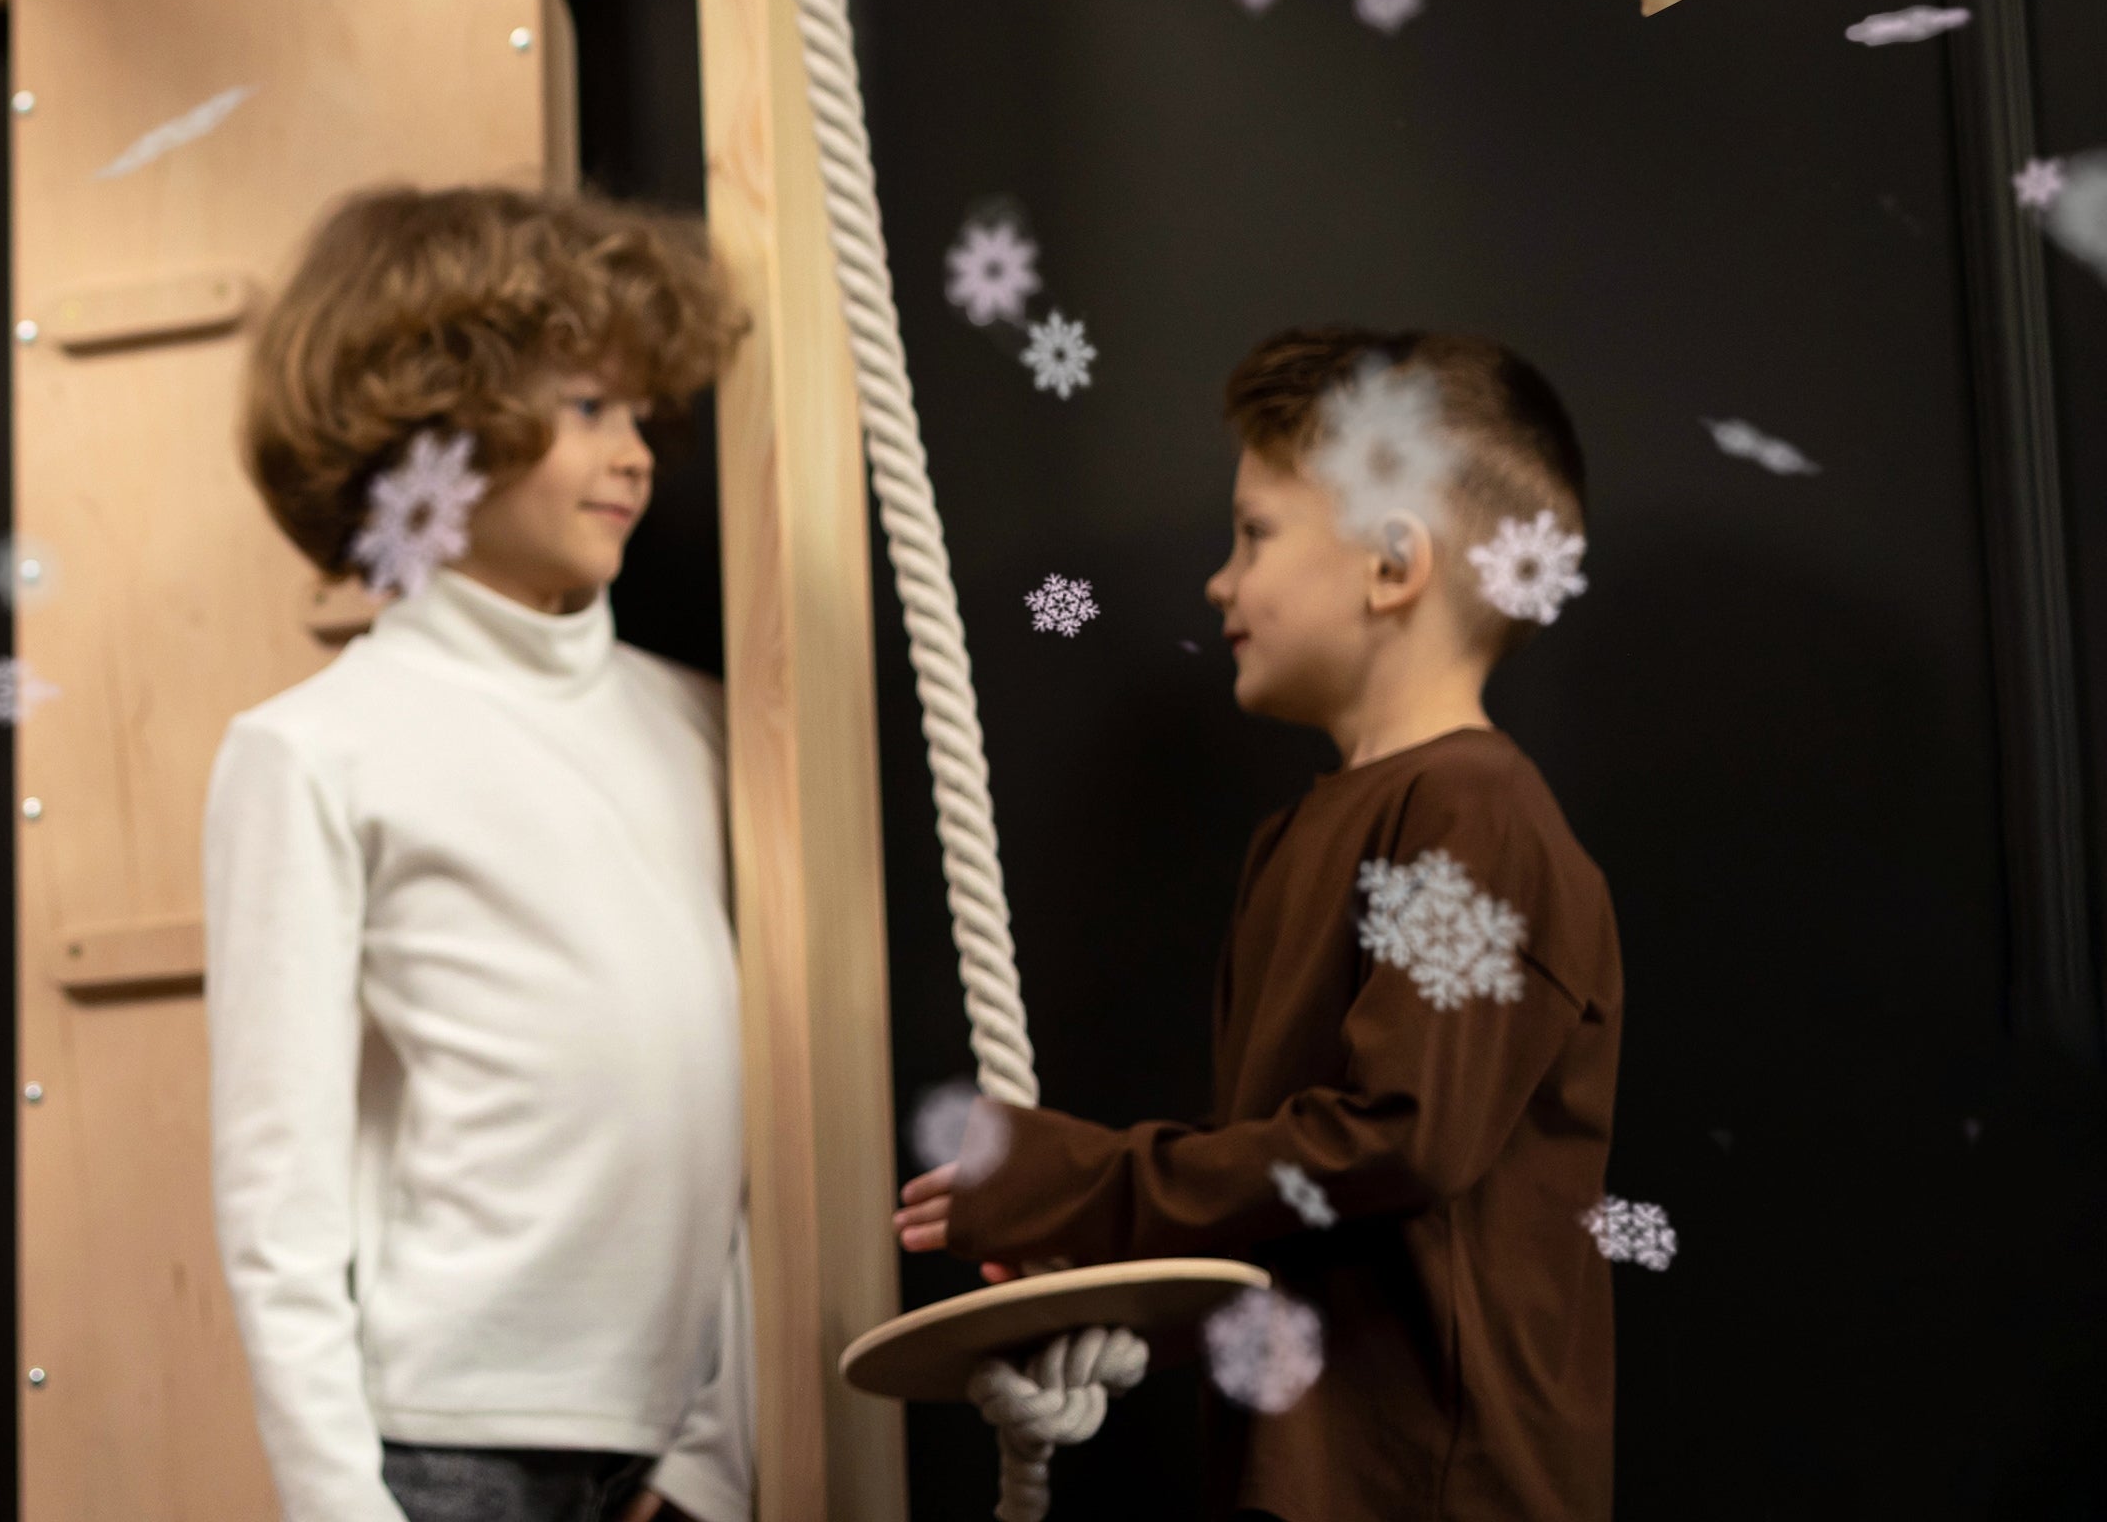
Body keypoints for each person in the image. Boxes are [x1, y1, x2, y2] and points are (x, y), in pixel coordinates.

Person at [893, 327, 1625, 1522]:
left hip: (1432, 1492)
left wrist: (1078, 1183)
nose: (1219, 581)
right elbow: (1309, 1219)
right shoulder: (1302, 839)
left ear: (1393, 565)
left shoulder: (1472, 814)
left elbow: (1398, 1140)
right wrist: (1107, 1283)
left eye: (1255, 533)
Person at [207, 185, 757, 1522]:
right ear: (432, 430)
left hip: (664, 1458)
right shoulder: (314, 751)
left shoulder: (704, 726)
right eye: (585, 408)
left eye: (639, 413)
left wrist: (708, 1461)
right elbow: (276, 1200)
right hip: (442, 1451)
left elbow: (731, 1132)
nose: (632, 452)